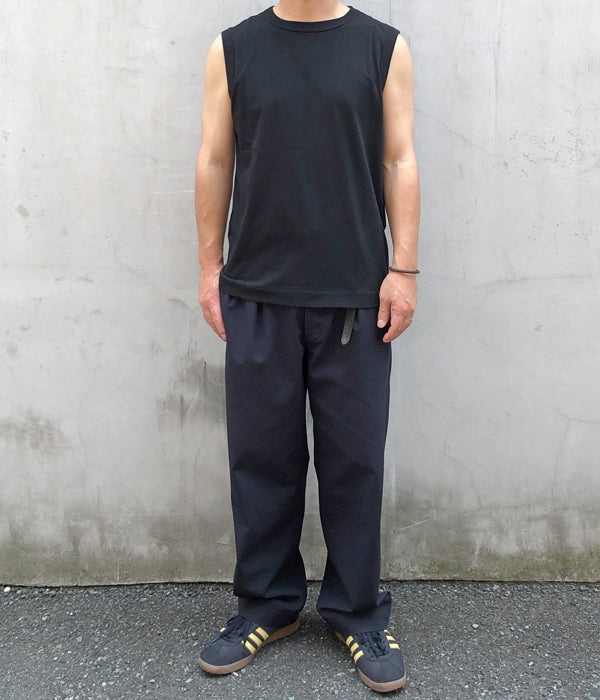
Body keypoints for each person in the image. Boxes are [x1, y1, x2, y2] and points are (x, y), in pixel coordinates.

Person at [194, 0, 419, 692]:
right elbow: (215, 159)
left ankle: (357, 612)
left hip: (354, 296)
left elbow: (399, 158)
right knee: (261, 458)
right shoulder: (234, 49)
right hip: (257, 292)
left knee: (356, 462)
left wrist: (404, 269)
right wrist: (209, 269)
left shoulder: (382, 47)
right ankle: (267, 604)